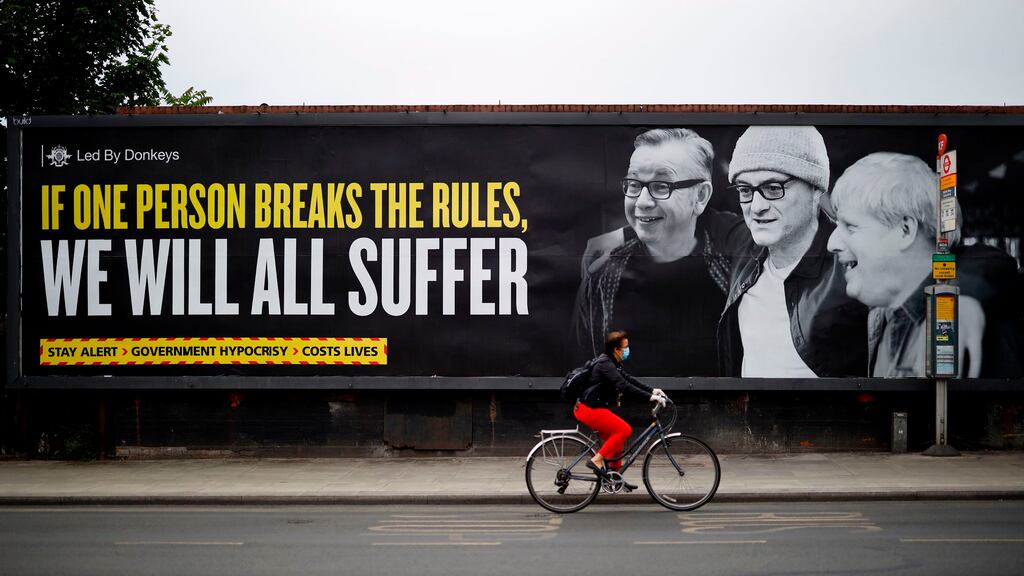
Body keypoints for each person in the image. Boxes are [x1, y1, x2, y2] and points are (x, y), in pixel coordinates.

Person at [827, 152, 1023, 377]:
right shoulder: (884, 314)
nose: (832, 244)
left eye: (851, 227)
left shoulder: (966, 326)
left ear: (905, 230)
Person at [571, 128, 740, 375]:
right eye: (633, 184)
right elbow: (580, 374)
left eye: (661, 186)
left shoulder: (738, 273)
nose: (642, 201)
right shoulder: (601, 279)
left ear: (701, 196)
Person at [717, 126, 869, 377]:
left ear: (816, 189)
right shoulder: (744, 248)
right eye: (745, 190)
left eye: (773, 188)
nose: (756, 207)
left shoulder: (854, 265)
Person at [574, 331, 668, 485]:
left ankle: (615, 478)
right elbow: (624, 386)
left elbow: (628, 378)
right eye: (625, 347)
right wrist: (650, 398)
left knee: (617, 442)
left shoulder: (612, 362)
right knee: (624, 430)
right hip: (589, 410)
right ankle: (597, 460)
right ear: (616, 349)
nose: (627, 350)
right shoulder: (605, 364)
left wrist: (652, 390)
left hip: (593, 408)